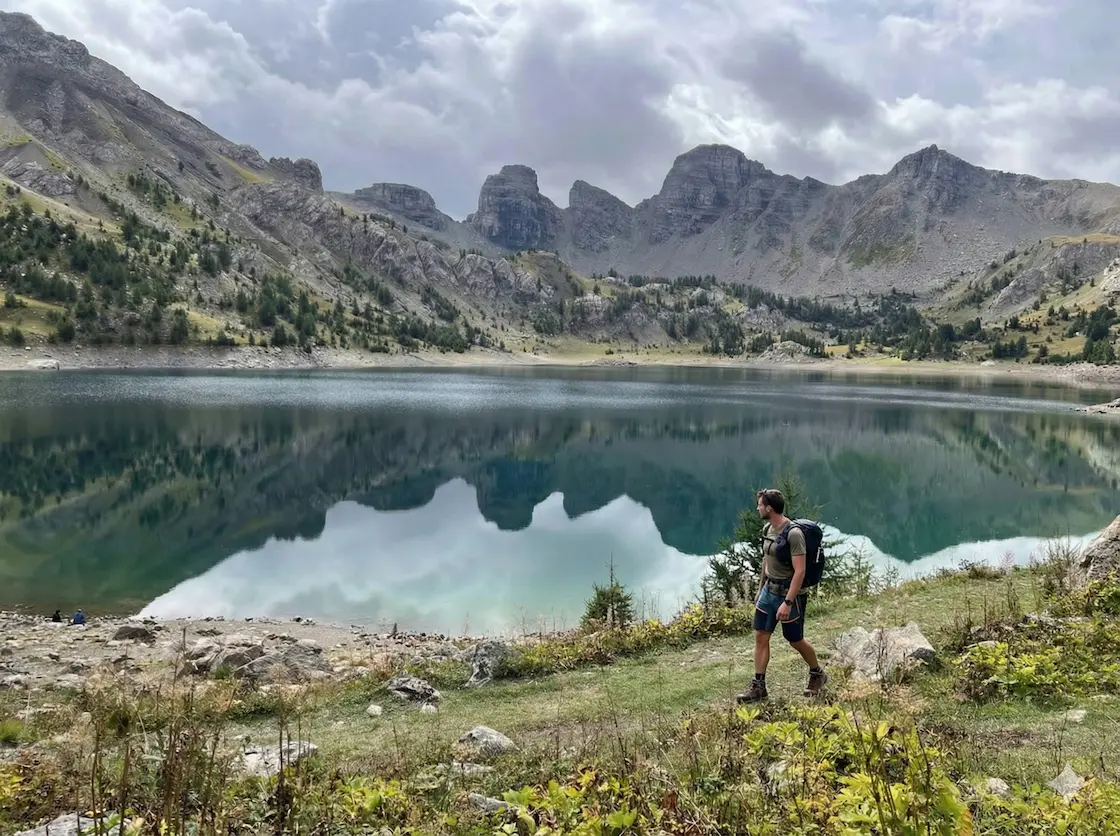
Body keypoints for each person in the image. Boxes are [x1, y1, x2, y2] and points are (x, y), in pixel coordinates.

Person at [737, 488, 827, 703]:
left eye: (760, 505)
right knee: (761, 636)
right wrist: (760, 589)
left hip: (789, 595)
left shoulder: (793, 534)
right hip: (769, 592)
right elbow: (766, 560)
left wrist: (787, 602)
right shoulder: (767, 528)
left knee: (795, 640)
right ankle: (759, 687)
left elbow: (800, 571)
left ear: (769, 508)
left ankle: (817, 673)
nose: (757, 508)